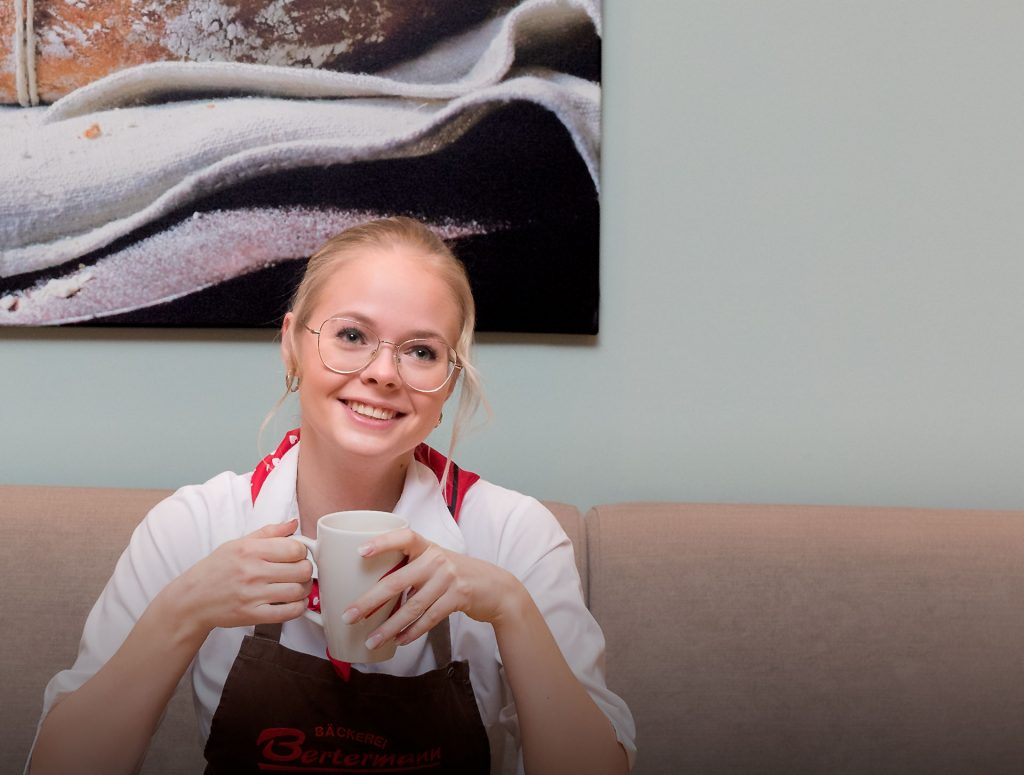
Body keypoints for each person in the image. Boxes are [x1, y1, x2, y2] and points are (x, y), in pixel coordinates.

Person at [27, 217, 636, 774]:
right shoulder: (196, 525)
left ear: (448, 382)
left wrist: (510, 606)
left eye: (422, 351)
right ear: (293, 344)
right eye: (351, 335)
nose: (384, 373)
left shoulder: (513, 534)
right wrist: (182, 612)